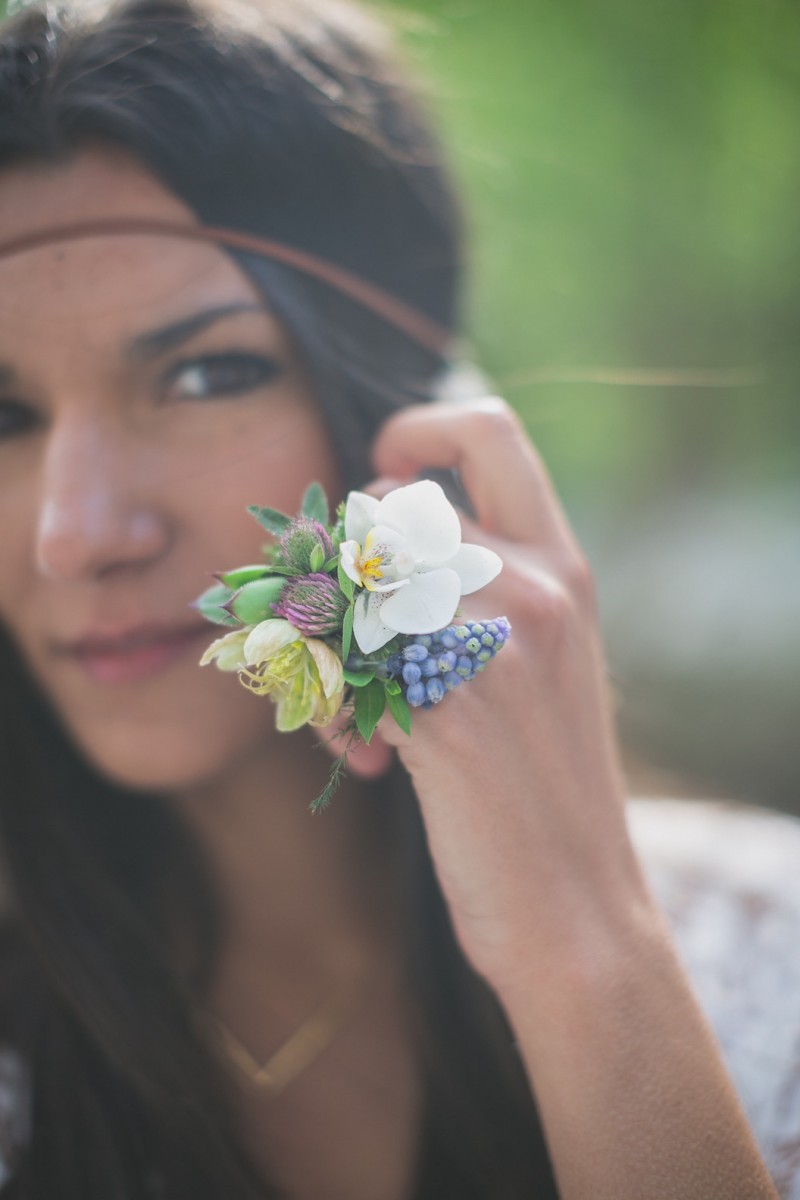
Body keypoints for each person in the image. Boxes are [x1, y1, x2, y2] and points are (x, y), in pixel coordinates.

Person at [0, 0, 798, 1196]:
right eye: (5, 416)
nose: (74, 536)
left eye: (208, 374)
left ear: (414, 420)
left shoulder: (766, 960)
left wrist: (585, 956)